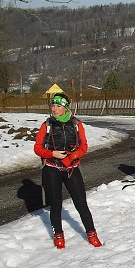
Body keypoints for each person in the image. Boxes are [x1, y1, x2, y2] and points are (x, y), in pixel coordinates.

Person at [33, 93, 102, 249]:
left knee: (81, 203)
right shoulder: (47, 125)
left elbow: (83, 146)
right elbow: (37, 148)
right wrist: (52, 154)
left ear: (65, 107)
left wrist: (72, 156)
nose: (55, 109)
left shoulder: (76, 124)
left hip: (72, 168)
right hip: (52, 169)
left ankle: (92, 234)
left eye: (58, 106)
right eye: (53, 106)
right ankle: (58, 236)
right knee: (56, 204)